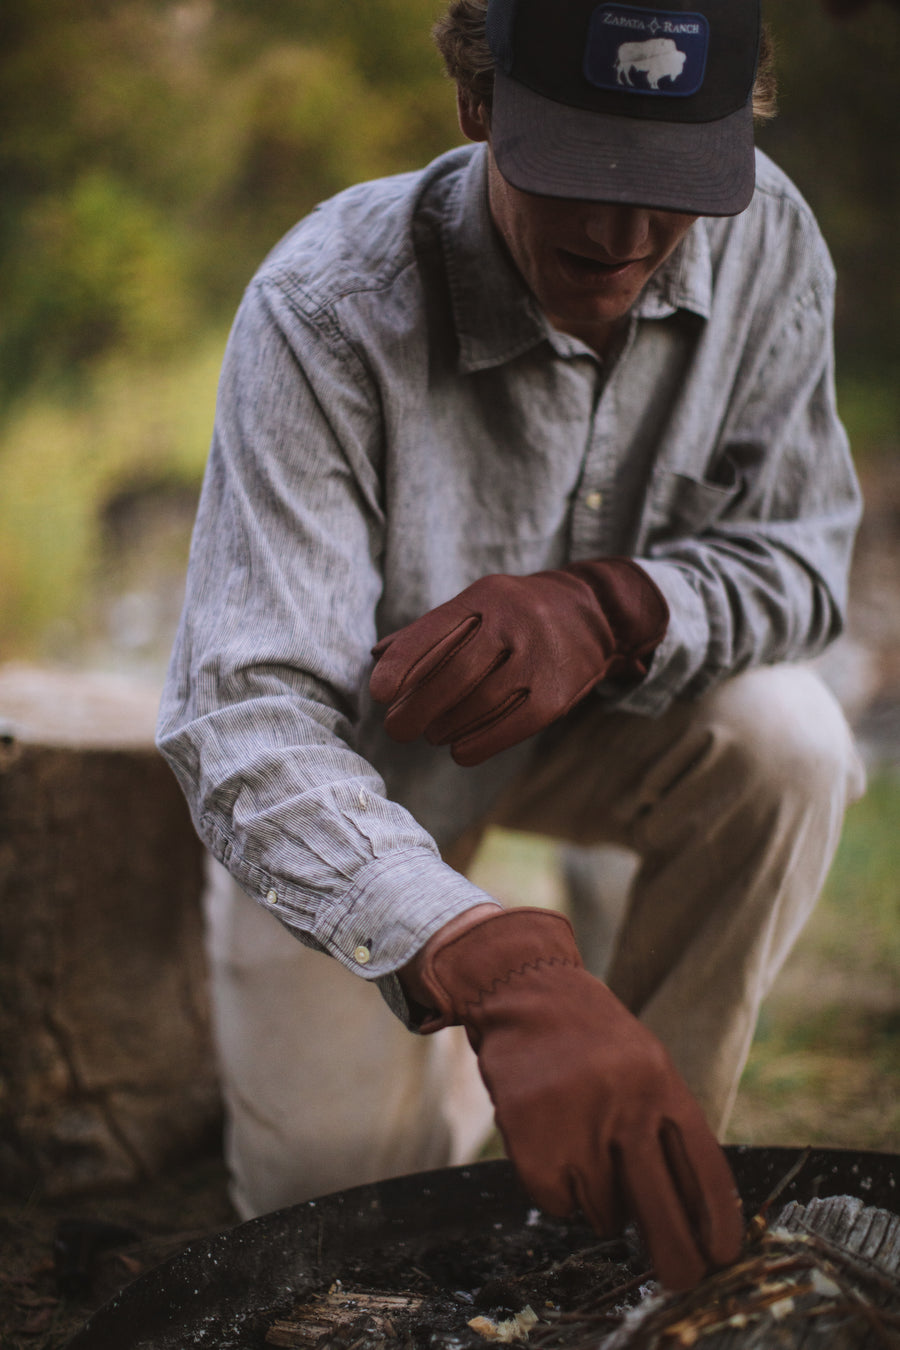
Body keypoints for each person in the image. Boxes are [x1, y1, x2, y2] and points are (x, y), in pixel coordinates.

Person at [157, 0, 866, 1292]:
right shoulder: (322, 310)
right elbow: (241, 719)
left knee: (796, 744)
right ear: (478, 103)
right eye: (585, 171)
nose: (627, 234)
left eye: (671, 184)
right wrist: (493, 958)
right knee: (342, 1224)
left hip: (618, 733)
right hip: (367, 772)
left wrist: (619, 609)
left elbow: (806, 556)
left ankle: (642, 1180)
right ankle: (498, 1020)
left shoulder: (772, 243)